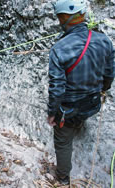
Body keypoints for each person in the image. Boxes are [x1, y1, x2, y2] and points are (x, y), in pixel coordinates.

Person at [47, 0, 115, 185]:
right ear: (82, 15)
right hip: (93, 104)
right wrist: (104, 90)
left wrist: (52, 113)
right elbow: (109, 74)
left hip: (69, 109)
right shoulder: (104, 41)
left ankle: (62, 178)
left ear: (63, 18)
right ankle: (78, 123)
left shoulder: (59, 49)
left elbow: (57, 88)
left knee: (62, 141)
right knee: (78, 117)